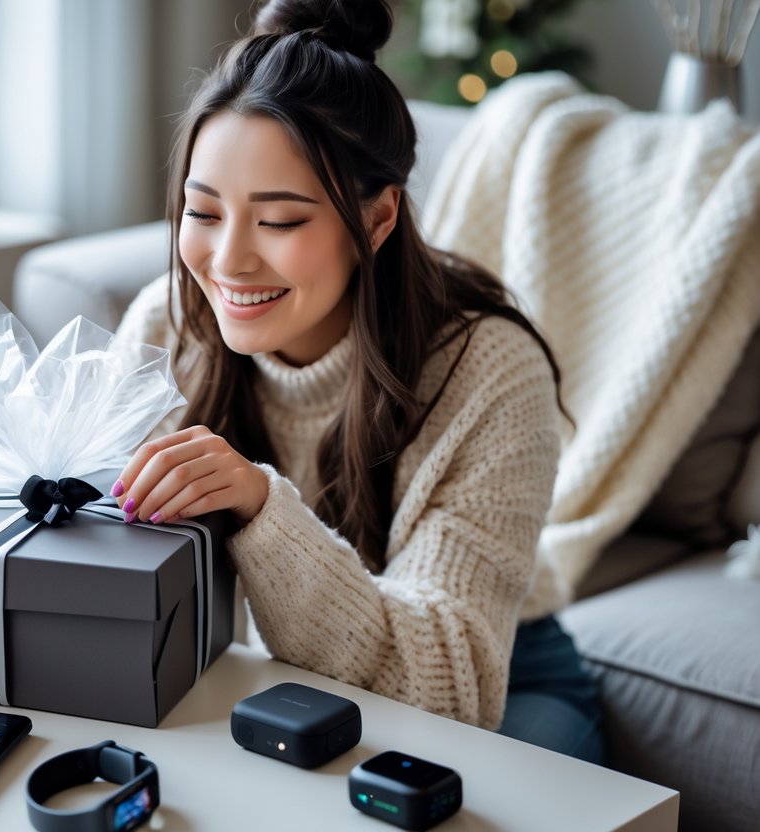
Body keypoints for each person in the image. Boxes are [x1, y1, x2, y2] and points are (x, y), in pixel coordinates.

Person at [111, 0, 603, 763]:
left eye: (278, 222)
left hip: (496, 675)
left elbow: (445, 687)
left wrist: (258, 506)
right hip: (263, 671)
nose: (229, 261)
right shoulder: (165, 327)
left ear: (375, 222)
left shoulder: (485, 369)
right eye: (203, 213)